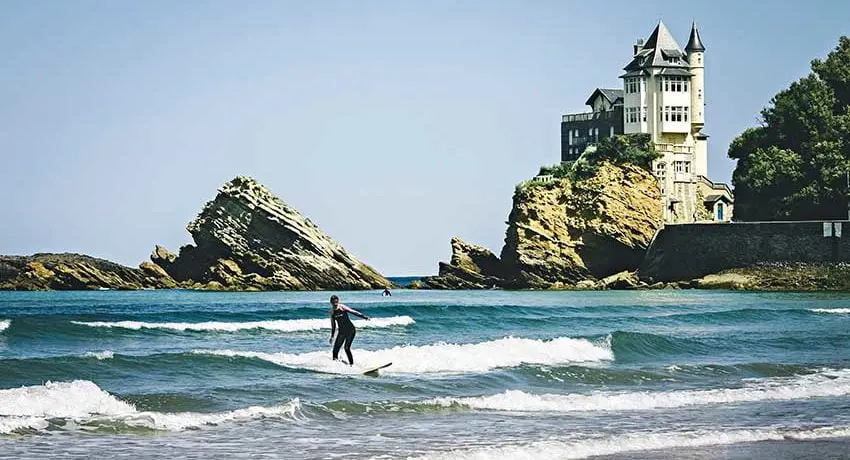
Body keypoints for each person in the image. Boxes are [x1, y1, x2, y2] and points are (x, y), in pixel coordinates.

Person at [328, 295, 370, 365]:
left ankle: (351, 365)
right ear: (331, 302)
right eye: (333, 302)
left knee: (346, 348)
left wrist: (364, 317)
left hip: (350, 330)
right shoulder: (332, 312)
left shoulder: (342, 307)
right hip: (342, 332)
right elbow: (333, 325)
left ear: (338, 301)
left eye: (336, 301)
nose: (335, 303)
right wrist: (332, 336)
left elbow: (353, 312)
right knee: (335, 350)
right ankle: (335, 366)